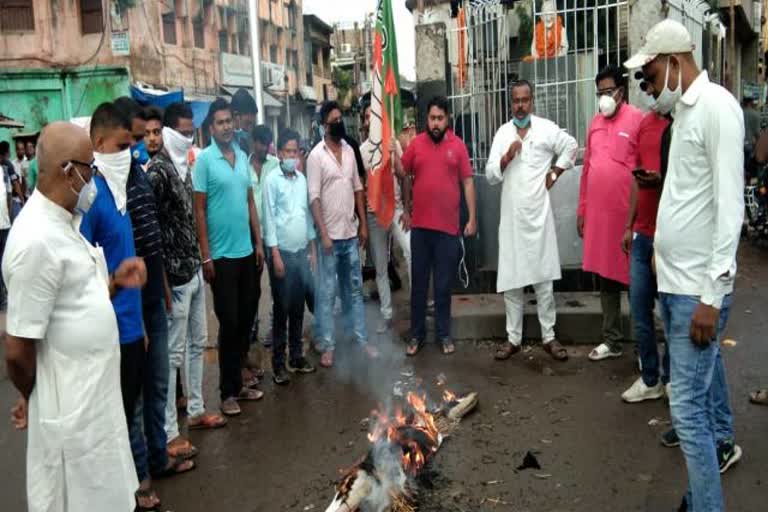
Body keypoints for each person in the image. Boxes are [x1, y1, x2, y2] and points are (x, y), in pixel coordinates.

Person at [626, 18, 744, 511]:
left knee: (689, 412)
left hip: (698, 291)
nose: (648, 89)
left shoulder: (718, 108)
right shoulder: (685, 117)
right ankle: (698, 499)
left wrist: (712, 296)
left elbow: (729, 206)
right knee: (692, 405)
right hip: (676, 285)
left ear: (674, 63)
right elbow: (688, 195)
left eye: (650, 77)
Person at [4, 121, 144, 511]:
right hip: (73, 420)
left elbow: (69, 308)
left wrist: (114, 284)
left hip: (96, 411)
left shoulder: (64, 224)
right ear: (69, 172)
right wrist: (35, 394)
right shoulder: (35, 241)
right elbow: (17, 348)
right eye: (90, 168)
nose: (94, 179)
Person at [81, 103, 194, 511]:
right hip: (118, 310)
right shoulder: (95, 193)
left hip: (147, 297)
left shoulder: (134, 179)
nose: (133, 151)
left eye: (134, 144)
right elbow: (91, 265)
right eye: (126, 143)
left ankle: (157, 457)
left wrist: (160, 287)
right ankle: (138, 476)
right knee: (129, 399)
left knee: (157, 383)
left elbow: (149, 241)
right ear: (100, 145)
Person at [147, 101, 227, 457]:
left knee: (198, 343)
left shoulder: (185, 168)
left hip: (193, 269)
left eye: (189, 131)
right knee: (173, 354)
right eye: (180, 132)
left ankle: (195, 411)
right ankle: (167, 431)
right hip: (174, 278)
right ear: (167, 132)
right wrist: (162, 277)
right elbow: (150, 232)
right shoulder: (158, 172)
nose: (187, 137)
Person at [487, 80, 577, 362]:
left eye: (525, 99)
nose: (521, 105)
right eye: (516, 100)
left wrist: (555, 173)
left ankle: (549, 337)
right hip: (512, 219)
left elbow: (571, 146)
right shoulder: (503, 133)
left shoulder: (545, 128)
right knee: (513, 281)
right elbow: (490, 174)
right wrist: (506, 157)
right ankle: (513, 339)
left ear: (532, 101)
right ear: (510, 103)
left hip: (538, 217)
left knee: (543, 280)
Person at [193, 98, 265, 416]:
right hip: (220, 257)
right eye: (219, 122)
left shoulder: (241, 158)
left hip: (247, 252)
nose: (225, 127)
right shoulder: (205, 161)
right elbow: (199, 209)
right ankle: (226, 392)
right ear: (211, 127)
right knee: (230, 322)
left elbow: (250, 202)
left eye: (228, 121)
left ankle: (238, 383)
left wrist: (259, 243)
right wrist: (205, 256)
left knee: (246, 319)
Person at [402, 96, 477, 356]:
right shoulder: (416, 144)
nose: (435, 123)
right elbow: (403, 173)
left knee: (444, 286)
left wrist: (472, 218)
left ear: (447, 119)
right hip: (421, 229)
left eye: (440, 118)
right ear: (427, 119)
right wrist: (394, 152)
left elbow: (467, 182)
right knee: (419, 286)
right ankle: (416, 336)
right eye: (432, 118)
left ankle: (445, 335)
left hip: (448, 229)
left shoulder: (457, 147)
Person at [577, 65, 643, 361]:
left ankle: (645, 348)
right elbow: (588, 168)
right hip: (600, 219)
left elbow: (642, 171)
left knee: (637, 284)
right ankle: (612, 341)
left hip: (628, 218)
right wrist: (582, 209)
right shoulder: (594, 123)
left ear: (621, 91)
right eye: (599, 93)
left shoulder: (637, 120)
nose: (604, 98)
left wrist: (636, 219)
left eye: (608, 92)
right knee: (607, 280)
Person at [307, 100, 375, 368]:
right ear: (324, 126)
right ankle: (327, 344)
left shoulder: (349, 150)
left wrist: (363, 224)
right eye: (333, 120)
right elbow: (313, 199)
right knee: (327, 292)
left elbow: (358, 187)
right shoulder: (315, 156)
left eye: (340, 119)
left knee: (354, 289)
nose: (339, 124)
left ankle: (359, 338)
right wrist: (323, 234)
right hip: (329, 238)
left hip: (349, 233)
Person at [619, 101, 671, 403]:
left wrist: (661, 181)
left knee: (671, 315)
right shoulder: (646, 124)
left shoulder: (681, 123)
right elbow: (637, 181)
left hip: (670, 237)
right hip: (642, 235)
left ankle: (672, 380)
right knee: (641, 313)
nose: (651, 91)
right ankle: (650, 378)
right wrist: (629, 225)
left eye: (652, 81)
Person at [263, 128, 317, 384]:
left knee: (297, 307)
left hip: (301, 252)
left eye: (295, 151)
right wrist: (274, 254)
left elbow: (306, 216)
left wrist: (312, 248)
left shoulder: (301, 178)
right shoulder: (272, 180)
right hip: (281, 253)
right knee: (281, 307)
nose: (291, 156)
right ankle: (278, 364)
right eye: (287, 151)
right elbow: (269, 220)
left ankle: (296, 357)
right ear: (279, 151)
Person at [359, 105, 411, 333]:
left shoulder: (393, 142)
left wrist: (394, 154)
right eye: (368, 116)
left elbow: (404, 175)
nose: (372, 119)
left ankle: (415, 307)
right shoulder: (362, 151)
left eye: (375, 114)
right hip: (374, 214)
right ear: (365, 122)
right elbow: (360, 186)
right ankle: (386, 314)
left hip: (397, 209)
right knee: (380, 266)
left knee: (412, 252)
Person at [248, 125, 281, 352]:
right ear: (253, 142)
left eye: (266, 143)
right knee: (252, 286)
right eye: (259, 143)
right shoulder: (242, 166)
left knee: (277, 284)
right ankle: (252, 327)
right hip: (250, 235)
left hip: (273, 235)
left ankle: (274, 327)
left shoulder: (275, 165)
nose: (262, 147)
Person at [0, 141, 25, 220]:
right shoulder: (8, 164)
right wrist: (22, 200)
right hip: (7, 199)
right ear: (6, 152)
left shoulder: (8, 164)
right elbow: (16, 184)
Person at [231, 88, 258, 154]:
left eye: (252, 125)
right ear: (236, 115)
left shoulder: (245, 143)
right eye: (247, 123)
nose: (249, 129)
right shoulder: (223, 145)